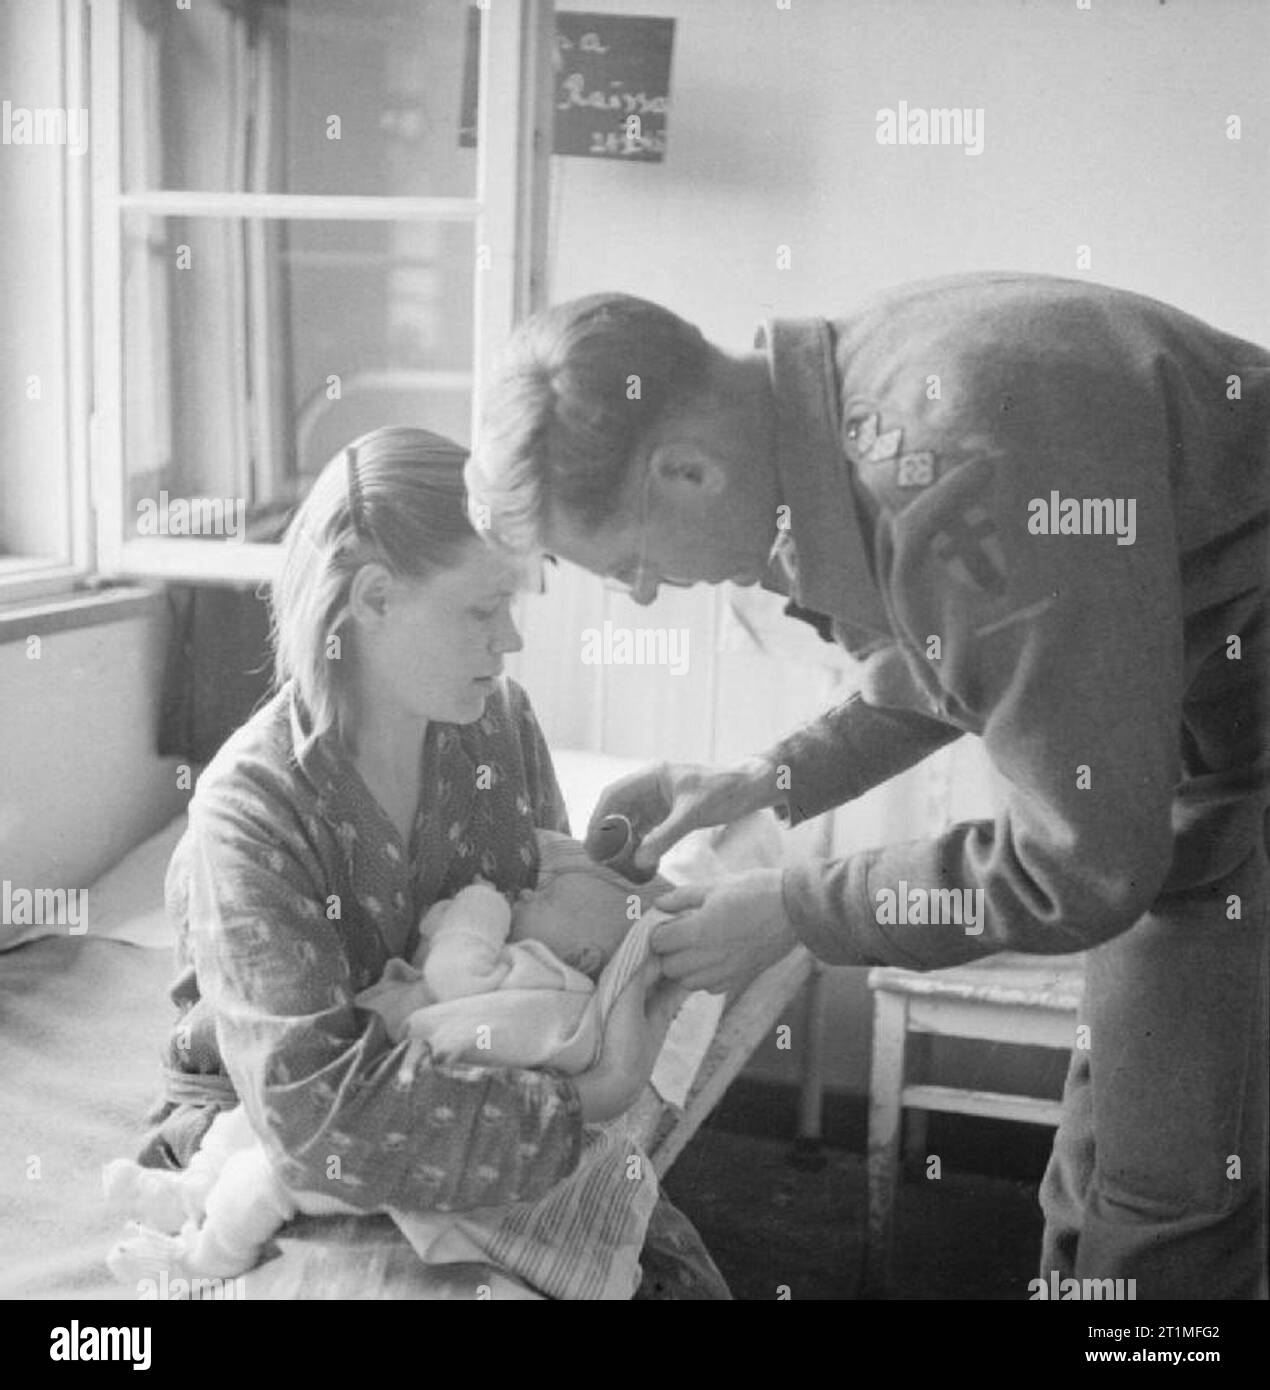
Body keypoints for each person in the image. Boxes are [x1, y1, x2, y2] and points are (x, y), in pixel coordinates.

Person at [464, 275, 1270, 1300]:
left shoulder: (965, 479)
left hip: (1223, 760)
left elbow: (1086, 867)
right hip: (1200, 728)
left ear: (686, 470)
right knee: (1101, 1165)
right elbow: (968, 656)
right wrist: (769, 778)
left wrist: (800, 911)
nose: (644, 589)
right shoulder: (856, 400)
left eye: (628, 559)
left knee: (1172, 1208)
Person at [136, 424, 730, 1300]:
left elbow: (549, 962)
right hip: (269, 1128)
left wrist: (642, 902)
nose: (512, 640)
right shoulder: (253, 808)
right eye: (483, 610)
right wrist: (593, 1097)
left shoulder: (496, 726)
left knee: (670, 1283)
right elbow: (314, 1119)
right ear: (373, 599)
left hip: (479, 1087)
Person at [107, 834, 679, 1299]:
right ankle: (189, 1192)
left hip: (411, 1136)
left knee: (274, 1172)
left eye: (547, 898)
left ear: (584, 957)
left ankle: (202, 1261)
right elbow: (438, 964)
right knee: (251, 1119)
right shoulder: (536, 977)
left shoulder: (554, 991)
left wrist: (480, 908)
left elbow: (454, 973)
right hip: (373, 1091)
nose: (525, 894)